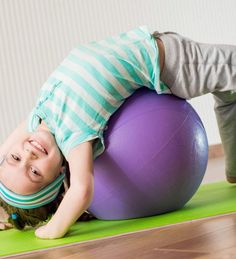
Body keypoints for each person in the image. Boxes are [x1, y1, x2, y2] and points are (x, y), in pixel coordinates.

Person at [0, 26, 235, 239]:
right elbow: (82, 190)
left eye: (16, 158)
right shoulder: (74, 136)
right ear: (60, 175)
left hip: (156, 45)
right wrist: (54, 228)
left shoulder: (40, 115)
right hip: (171, 63)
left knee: (229, 97)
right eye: (34, 172)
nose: (28, 155)